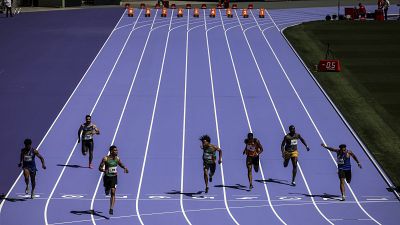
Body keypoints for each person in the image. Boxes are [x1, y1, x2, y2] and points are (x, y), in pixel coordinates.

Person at [99, 145, 129, 215]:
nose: (117, 151)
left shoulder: (117, 159)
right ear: (111, 151)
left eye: (117, 150)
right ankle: (107, 188)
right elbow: (99, 168)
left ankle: (111, 208)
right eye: (115, 150)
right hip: (107, 177)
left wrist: (125, 168)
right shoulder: (105, 159)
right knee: (107, 191)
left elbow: (120, 164)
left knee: (113, 192)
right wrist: (104, 170)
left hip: (114, 177)